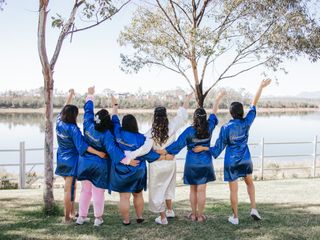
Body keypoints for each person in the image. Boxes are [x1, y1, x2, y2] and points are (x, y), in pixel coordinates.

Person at [193, 79, 271, 225]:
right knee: (250, 184)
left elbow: (217, 148)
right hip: (245, 159)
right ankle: (253, 208)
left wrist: (204, 148)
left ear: (230, 113)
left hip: (231, 162)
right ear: (241, 112)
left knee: (233, 191)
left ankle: (235, 217)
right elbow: (254, 104)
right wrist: (260, 86)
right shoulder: (247, 122)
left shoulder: (226, 128)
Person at [76, 87, 139, 227]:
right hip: (99, 166)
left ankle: (81, 217)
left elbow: (87, 110)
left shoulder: (88, 124)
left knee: (85, 190)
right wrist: (128, 161)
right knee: (98, 192)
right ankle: (98, 219)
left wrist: (90, 95)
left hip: (85, 163)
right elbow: (114, 151)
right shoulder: (107, 135)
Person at [158, 92, 225, 222]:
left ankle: (193, 214)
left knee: (193, 189)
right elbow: (214, 113)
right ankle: (200, 216)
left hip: (192, 163)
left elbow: (178, 144)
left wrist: (164, 150)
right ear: (204, 117)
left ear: (194, 118)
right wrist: (217, 100)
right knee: (202, 191)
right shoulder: (210, 126)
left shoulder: (189, 131)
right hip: (205, 162)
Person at [110, 95, 174, 225]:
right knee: (138, 195)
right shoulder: (141, 138)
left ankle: (126, 220)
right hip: (138, 170)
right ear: (135, 124)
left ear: (123, 124)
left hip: (122, 169)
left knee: (124, 196)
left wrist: (115, 106)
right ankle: (139, 217)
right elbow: (148, 154)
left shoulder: (117, 132)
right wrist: (163, 156)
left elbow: (114, 119)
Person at [55, 89, 106, 223]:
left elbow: (63, 109)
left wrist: (70, 96)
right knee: (68, 189)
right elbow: (84, 146)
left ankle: (72, 212)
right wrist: (98, 152)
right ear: (73, 116)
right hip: (72, 160)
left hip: (61, 157)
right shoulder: (73, 129)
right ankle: (67, 217)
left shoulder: (59, 121)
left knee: (72, 187)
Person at [145, 94, 192, 225]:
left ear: (154, 117)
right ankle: (170, 210)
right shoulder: (171, 126)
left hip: (157, 164)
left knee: (158, 189)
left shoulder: (149, 133)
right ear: (165, 116)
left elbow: (145, 149)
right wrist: (187, 99)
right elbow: (182, 114)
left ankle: (163, 217)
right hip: (170, 163)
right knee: (168, 187)